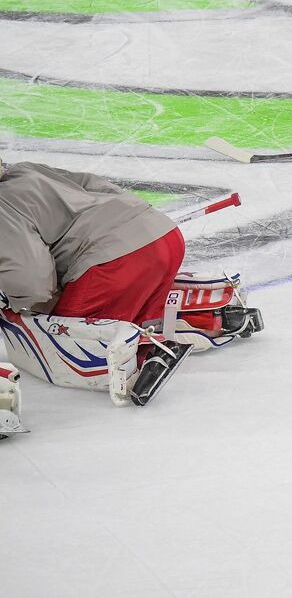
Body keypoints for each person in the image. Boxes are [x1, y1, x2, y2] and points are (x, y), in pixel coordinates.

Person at [0, 159, 263, 422]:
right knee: (135, 301)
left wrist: (29, 308)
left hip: (116, 263)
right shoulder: (26, 170)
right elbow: (95, 185)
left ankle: (145, 354)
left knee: (62, 334)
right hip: (161, 234)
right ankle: (208, 318)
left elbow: (31, 282)